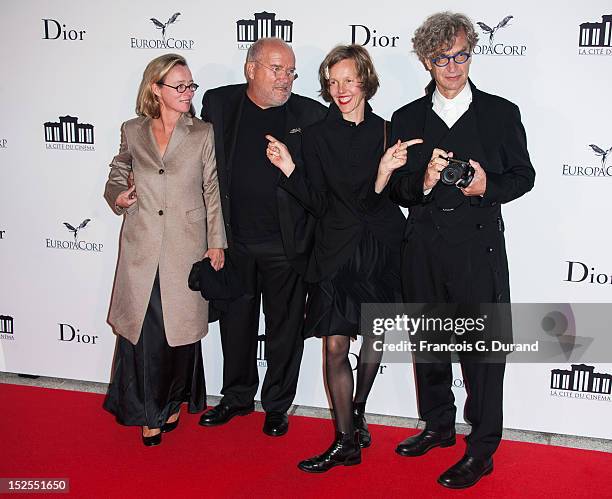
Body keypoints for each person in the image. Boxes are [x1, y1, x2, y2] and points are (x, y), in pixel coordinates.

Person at [374, 12, 535, 488]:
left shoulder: (500, 112)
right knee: (428, 345)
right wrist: (421, 183)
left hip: (478, 249)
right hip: (421, 247)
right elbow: (394, 190)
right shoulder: (405, 118)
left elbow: (524, 177)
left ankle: (482, 448)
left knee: (482, 355)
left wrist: (486, 186)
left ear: (471, 54)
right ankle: (439, 426)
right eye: (443, 57)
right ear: (427, 61)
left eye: (462, 54)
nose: (453, 65)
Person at [266, 44, 421, 472]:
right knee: (335, 345)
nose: (341, 89)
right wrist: (289, 169)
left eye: (349, 80)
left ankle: (356, 412)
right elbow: (319, 203)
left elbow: (385, 201)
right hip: (335, 251)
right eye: (333, 82)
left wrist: (387, 173)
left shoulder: (389, 133)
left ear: (366, 80)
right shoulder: (314, 136)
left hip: (379, 249)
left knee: (374, 337)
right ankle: (345, 441)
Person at [198, 38, 327, 436]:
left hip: (285, 246)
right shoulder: (219, 104)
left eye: (290, 71)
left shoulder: (310, 115)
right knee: (235, 324)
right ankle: (236, 397)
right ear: (250, 69)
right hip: (234, 241)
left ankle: (276, 405)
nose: (285, 78)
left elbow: (322, 184)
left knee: (284, 330)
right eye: (277, 69)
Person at [103, 53, 227, 446]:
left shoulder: (202, 132)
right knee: (145, 333)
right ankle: (148, 413)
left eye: (190, 85)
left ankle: (172, 402)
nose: (189, 92)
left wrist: (216, 241)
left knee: (179, 332)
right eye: (180, 86)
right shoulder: (133, 130)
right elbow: (119, 170)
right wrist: (117, 196)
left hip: (184, 247)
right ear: (156, 89)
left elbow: (211, 188)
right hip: (141, 244)